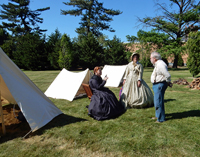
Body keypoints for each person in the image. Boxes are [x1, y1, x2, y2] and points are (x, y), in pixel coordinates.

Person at [150, 51, 173, 123]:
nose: (150, 59)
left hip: (159, 84)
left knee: (158, 102)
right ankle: (158, 115)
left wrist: (168, 81)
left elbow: (167, 75)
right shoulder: (157, 64)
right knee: (158, 101)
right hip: (157, 84)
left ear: (154, 58)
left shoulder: (160, 64)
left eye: (151, 58)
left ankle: (160, 119)